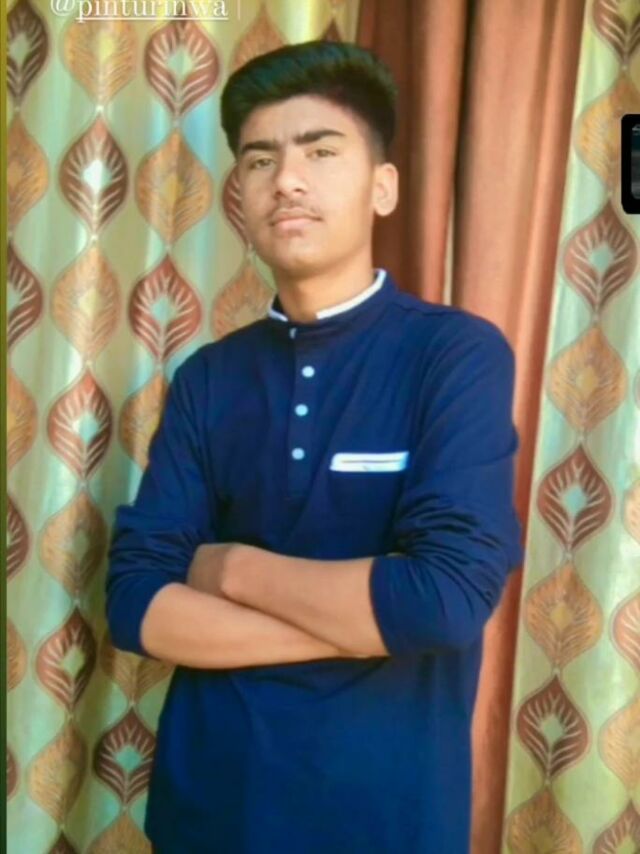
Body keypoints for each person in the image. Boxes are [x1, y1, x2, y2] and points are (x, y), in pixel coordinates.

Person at [106, 40, 524, 854]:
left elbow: (443, 599)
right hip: (209, 814)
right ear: (240, 194)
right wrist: (371, 626)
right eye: (260, 159)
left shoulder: (453, 354)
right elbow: (137, 604)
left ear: (383, 187)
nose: (287, 180)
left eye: (320, 152)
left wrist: (228, 569)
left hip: (386, 818)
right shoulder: (209, 378)